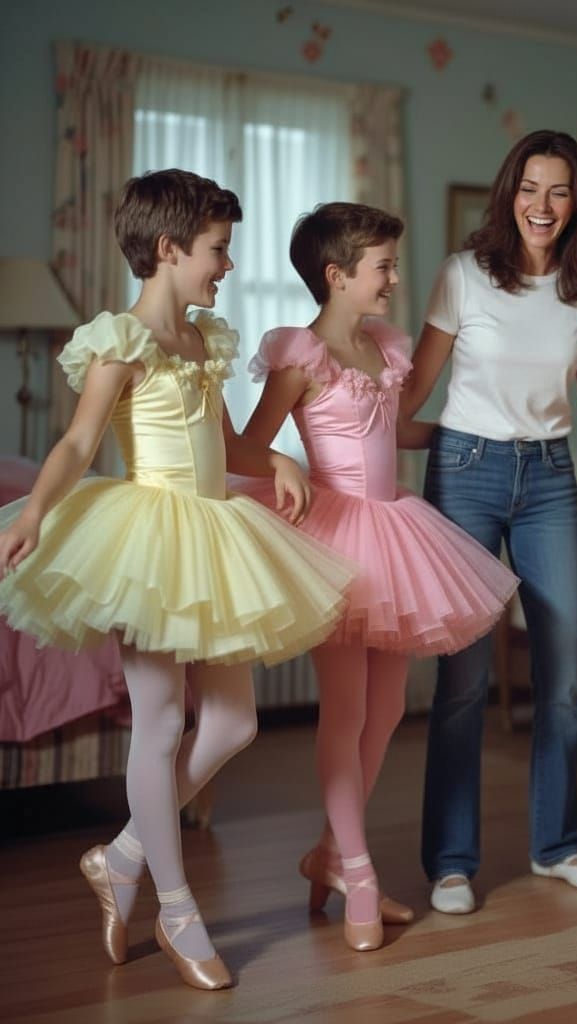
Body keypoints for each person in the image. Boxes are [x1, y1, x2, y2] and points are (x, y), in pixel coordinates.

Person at [0, 170, 355, 990]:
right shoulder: (120, 341)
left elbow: (224, 444)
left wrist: (275, 460)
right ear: (168, 249)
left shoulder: (204, 339)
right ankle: (177, 909)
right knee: (158, 725)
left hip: (212, 532)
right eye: (218, 250)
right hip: (149, 542)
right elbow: (77, 444)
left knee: (234, 723)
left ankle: (122, 854)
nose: (227, 265)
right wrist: (35, 513)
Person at [237, 202, 518, 949]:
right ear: (337, 275)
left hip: (393, 532)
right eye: (384, 267)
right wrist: (281, 461)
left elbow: (392, 432)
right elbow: (244, 446)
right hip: (333, 538)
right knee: (347, 709)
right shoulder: (301, 356)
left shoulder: (383, 349)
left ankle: (331, 854)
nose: (395, 278)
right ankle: (358, 873)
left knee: (389, 708)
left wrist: (469, 430)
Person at [400, 129, 577, 913]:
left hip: (552, 476)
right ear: (510, 194)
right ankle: (451, 864)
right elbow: (411, 392)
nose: (542, 205)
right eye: (530, 189)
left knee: (561, 680)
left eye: (559, 191)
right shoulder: (463, 275)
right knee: (464, 680)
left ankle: (557, 847)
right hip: (466, 473)